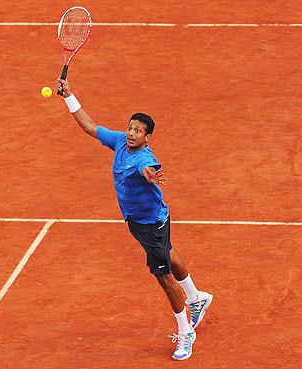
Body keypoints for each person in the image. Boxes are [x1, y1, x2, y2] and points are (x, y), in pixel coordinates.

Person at [57, 78, 212, 361]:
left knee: (164, 278)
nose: (131, 133)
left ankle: (186, 330)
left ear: (147, 138)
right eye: (130, 127)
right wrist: (69, 96)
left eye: (138, 131)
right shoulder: (118, 141)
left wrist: (149, 175)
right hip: (145, 222)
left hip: (151, 224)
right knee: (170, 253)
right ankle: (196, 297)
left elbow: (146, 169)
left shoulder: (144, 158)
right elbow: (90, 127)